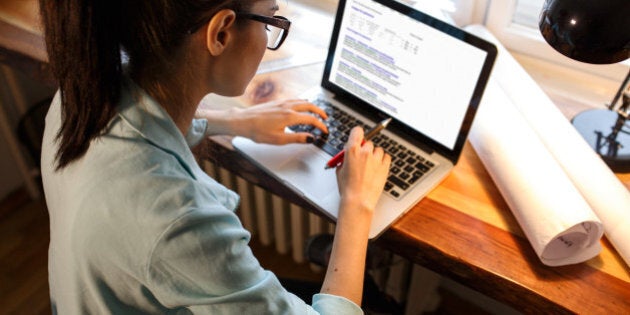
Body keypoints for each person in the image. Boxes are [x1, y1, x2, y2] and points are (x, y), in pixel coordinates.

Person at [39, 0, 391, 313]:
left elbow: (143, 123)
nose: (269, 36)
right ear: (221, 32)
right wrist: (356, 206)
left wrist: (238, 121)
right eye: (270, 21)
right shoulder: (176, 220)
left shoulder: (83, 93)